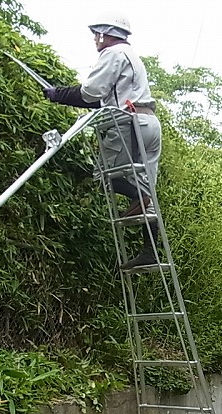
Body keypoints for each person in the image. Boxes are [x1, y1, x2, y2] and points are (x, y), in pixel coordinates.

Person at [43, 13, 162, 270]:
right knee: (147, 188)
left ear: (105, 34)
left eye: (97, 35)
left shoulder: (113, 53)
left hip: (128, 124)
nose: (95, 40)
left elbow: (90, 93)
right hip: (149, 123)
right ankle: (150, 251)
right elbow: (103, 98)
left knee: (104, 175)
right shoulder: (132, 57)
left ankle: (140, 198)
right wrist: (63, 95)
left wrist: (57, 94)